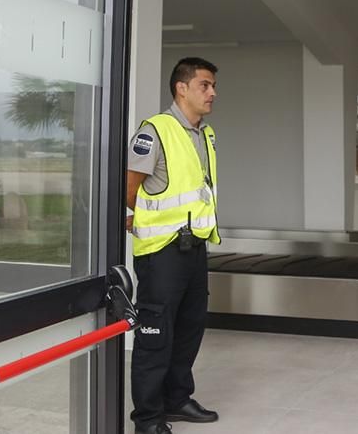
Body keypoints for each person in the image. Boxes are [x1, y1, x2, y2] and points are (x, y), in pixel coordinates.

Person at [127, 57, 222, 434]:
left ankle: (177, 399)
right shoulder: (155, 130)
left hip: (194, 246)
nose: (212, 92)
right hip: (161, 251)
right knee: (155, 334)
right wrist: (143, 218)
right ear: (181, 88)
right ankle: (148, 419)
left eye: (213, 86)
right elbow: (130, 187)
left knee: (189, 326)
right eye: (205, 85)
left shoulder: (205, 134)